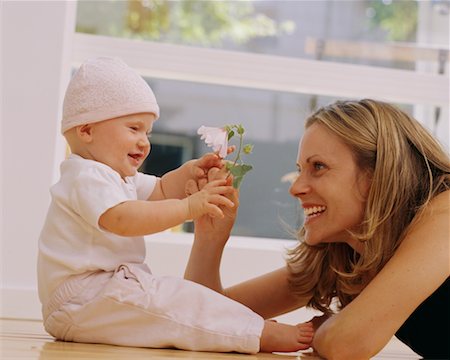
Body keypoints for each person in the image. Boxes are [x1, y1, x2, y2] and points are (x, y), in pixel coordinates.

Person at [37, 57, 314, 354]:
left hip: (99, 295)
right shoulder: (85, 175)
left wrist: (190, 172)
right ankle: (255, 333)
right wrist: (189, 207)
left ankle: (249, 327)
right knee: (174, 307)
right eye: (134, 128)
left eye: (148, 133)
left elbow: (160, 189)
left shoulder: (116, 178)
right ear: (87, 131)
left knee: (176, 300)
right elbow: (122, 219)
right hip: (84, 297)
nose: (144, 142)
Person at [185, 99, 450, 359]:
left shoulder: (445, 213)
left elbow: (345, 345)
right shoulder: (344, 255)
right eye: (300, 169)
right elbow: (200, 321)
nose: (295, 188)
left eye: (318, 167)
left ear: (376, 175)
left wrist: (313, 331)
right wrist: (210, 237)